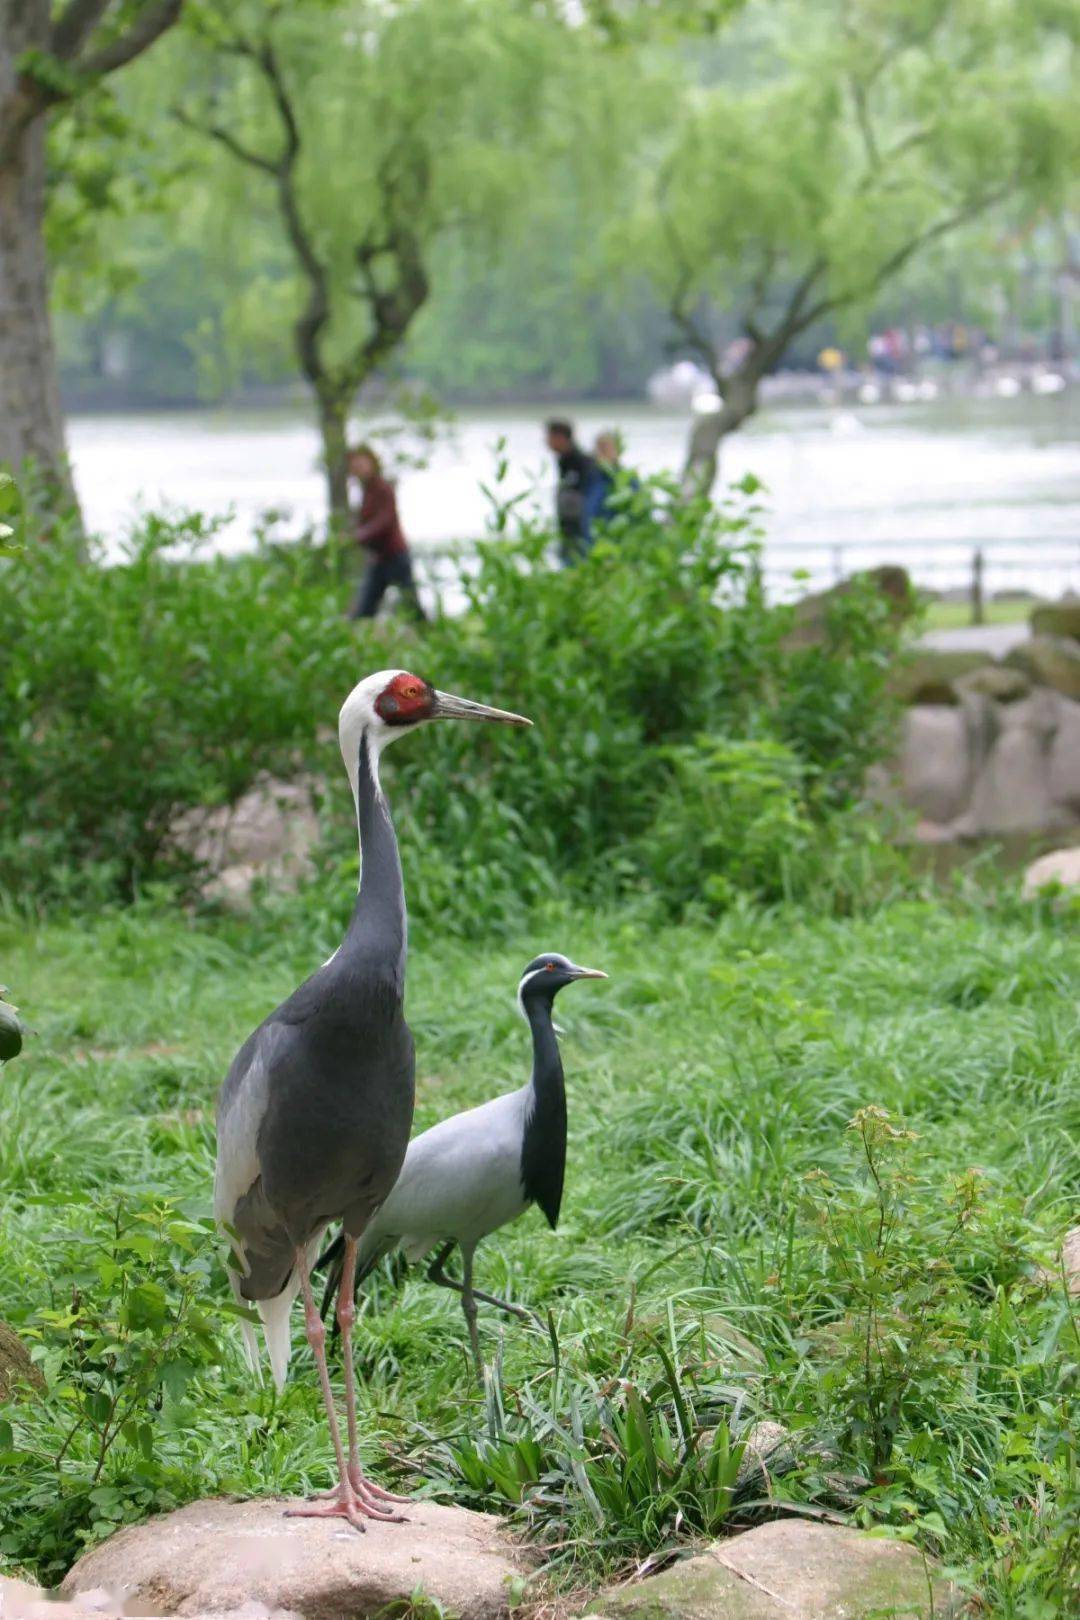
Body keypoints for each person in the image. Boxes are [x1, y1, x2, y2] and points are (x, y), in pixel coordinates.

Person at [345, 444, 427, 623]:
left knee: (411, 605)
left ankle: (432, 639)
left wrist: (360, 536)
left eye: (361, 464)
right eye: (355, 466)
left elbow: (385, 520)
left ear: (372, 463)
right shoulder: (366, 491)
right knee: (364, 609)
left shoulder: (382, 488)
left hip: (395, 556)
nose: (358, 469)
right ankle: (354, 642)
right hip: (379, 559)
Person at [544, 419, 596, 566]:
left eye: (549, 437)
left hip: (579, 531)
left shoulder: (582, 462)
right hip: (567, 530)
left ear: (560, 438)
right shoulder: (563, 461)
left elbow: (588, 500)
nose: (546, 442)